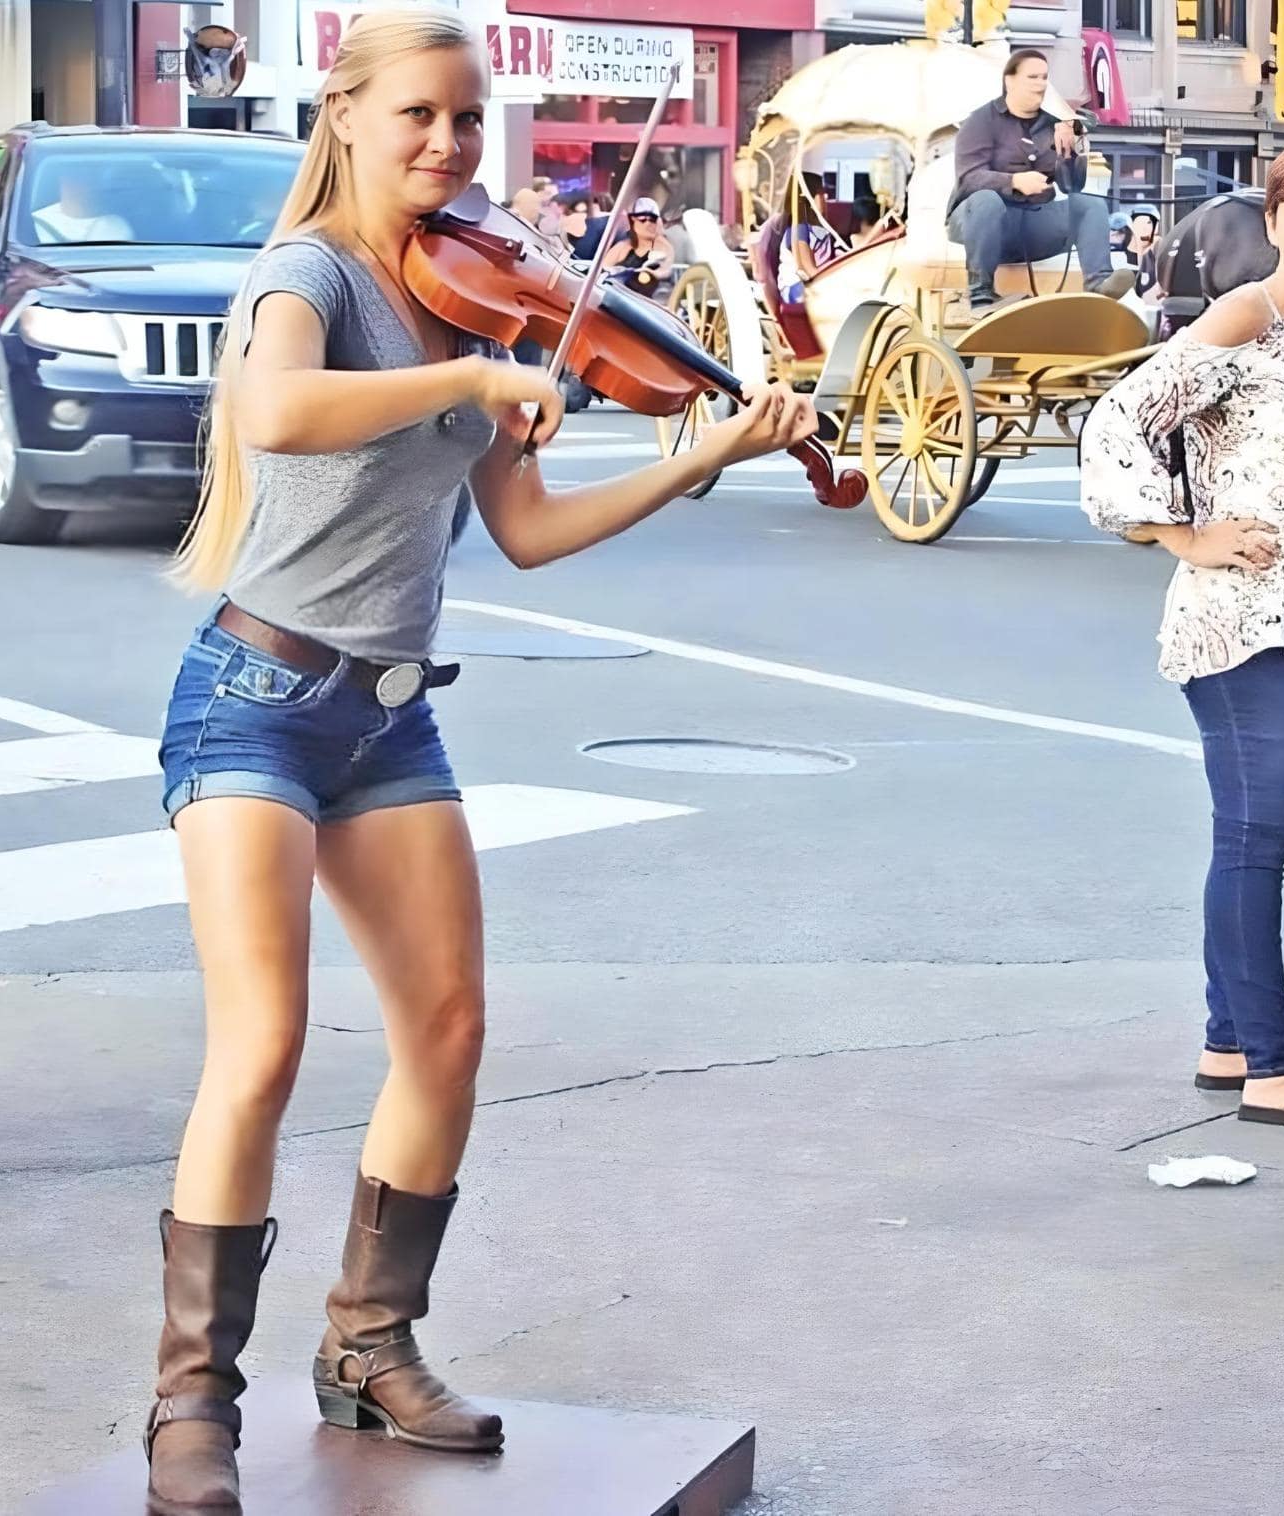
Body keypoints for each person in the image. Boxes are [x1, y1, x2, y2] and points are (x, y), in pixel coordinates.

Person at [144, 11, 818, 1512]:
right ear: (347, 118)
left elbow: (526, 532)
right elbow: (277, 408)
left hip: (388, 712)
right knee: (258, 1045)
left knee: (446, 1027)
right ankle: (191, 1401)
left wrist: (699, 454)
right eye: (421, 119)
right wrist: (463, 385)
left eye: (467, 122)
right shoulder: (307, 279)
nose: (448, 148)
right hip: (254, 694)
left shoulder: (480, 301)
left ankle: (369, 1347)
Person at [1078, 141, 1284, 1136]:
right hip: (1244, 618)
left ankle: (1226, 1037)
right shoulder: (1241, 315)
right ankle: (1271, 1064)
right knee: (1254, 841)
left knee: (1269, 837)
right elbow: (1122, 418)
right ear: (1270, 225)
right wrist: (1177, 533)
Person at [947, 47, 1125, 309]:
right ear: (1010, 81)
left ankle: (1100, 283)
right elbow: (969, 178)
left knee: (1090, 204)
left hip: (1033, 223)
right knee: (987, 200)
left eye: (1044, 77)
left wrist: (1069, 152)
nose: (1041, 84)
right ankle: (980, 290)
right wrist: (1014, 182)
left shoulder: (1052, 124)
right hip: (982, 223)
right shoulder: (981, 121)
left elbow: (1070, 186)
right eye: (1032, 77)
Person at [776, 171, 837, 304]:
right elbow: (807, 269)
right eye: (820, 194)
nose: (825, 198)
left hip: (813, 283)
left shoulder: (821, 229)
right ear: (807, 198)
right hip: (796, 288)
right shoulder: (798, 228)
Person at [602, 195, 675, 300]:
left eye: (652, 220)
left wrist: (654, 274)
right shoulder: (623, 247)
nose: (648, 224)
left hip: (644, 303)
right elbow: (601, 271)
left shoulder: (663, 247)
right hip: (615, 297)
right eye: (643, 220)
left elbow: (666, 269)